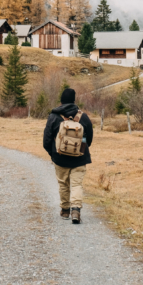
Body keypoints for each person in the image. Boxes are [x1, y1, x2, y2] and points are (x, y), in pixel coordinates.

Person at [43, 87, 94, 224]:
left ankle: (65, 210)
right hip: (79, 158)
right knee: (76, 184)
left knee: (63, 184)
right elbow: (89, 138)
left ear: (61, 101)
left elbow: (46, 141)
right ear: (73, 100)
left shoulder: (53, 116)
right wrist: (81, 150)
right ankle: (76, 211)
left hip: (60, 158)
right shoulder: (83, 116)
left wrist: (53, 154)